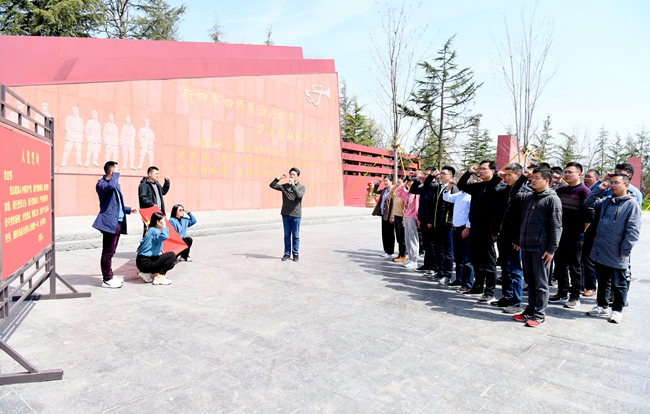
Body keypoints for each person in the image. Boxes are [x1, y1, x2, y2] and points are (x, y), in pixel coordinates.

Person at [585, 173, 641, 323]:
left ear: (626, 185)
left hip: (617, 251)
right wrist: (600, 188)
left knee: (619, 283)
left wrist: (626, 249)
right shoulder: (607, 200)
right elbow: (588, 202)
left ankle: (617, 310)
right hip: (602, 248)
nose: (613, 185)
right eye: (611, 182)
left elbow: (633, 229)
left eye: (616, 183)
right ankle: (602, 306)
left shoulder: (631, 204)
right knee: (603, 280)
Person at [510, 168, 563, 327]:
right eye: (532, 178)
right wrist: (522, 178)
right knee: (530, 282)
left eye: (536, 178)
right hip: (527, 245)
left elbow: (556, 226)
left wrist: (552, 249)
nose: (532, 180)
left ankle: (540, 315)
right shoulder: (530, 197)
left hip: (541, 248)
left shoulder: (552, 199)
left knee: (541, 284)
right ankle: (530, 310)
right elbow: (513, 194)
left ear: (547, 180)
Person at [456, 161, 503, 303]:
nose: (480, 171)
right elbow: (461, 185)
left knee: (489, 262)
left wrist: (495, 230)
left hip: (487, 230)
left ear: (493, 171)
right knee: (476, 260)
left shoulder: (496, 187)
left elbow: (498, 212)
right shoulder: (478, 186)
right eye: (480, 169)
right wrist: (468, 172)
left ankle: (490, 292)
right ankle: (477, 287)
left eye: (484, 169)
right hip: (475, 228)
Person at [549, 162, 593, 309]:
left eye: (570, 172)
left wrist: (580, 230)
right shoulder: (560, 190)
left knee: (575, 266)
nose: (567, 175)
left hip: (575, 236)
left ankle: (575, 296)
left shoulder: (584, 191)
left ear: (579, 174)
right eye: (566, 172)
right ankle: (562, 293)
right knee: (560, 264)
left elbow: (589, 215)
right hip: (559, 234)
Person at [92, 161, 138, 288]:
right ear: (111, 171)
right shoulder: (102, 184)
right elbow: (110, 187)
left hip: (117, 222)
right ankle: (107, 279)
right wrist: (115, 175)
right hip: (109, 222)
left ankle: (110, 275)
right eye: (117, 170)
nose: (119, 173)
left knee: (111, 251)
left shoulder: (115, 185)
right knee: (107, 252)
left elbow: (117, 204)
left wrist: (128, 209)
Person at [494, 163, 525, 314]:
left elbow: (523, 219)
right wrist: (497, 177)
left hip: (515, 238)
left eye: (509, 175)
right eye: (504, 175)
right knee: (505, 269)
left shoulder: (525, 193)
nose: (506, 178)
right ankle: (507, 297)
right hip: (503, 235)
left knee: (515, 271)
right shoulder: (504, 190)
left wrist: (519, 239)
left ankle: (516, 302)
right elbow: (492, 191)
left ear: (518, 175)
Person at [442, 178, 473, 293]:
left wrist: (468, 228)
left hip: (465, 228)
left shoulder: (470, 196)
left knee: (467, 258)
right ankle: (459, 280)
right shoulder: (460, 194)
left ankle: (468, 283)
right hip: (456, 228)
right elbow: (446, 197)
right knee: (459, 257)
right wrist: (449, 186)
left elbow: (472, 213)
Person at [270, 167, 306, 261]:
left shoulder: (302, 187)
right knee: (286, 235)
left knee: (296, 236)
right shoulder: (285, 186)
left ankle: (295, 253)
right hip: (285, 214)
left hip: (296, 214)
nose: (291, 176)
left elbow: (299, 196)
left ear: (298, 176)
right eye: (290, 174)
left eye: (294, 175)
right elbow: (272, 185)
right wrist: (278, 178)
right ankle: (286, 253)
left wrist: (293, 185)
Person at [430, 166, 458, 283]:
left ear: (451, 176)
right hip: (438, 223)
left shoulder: (454, 188)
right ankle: (440, 271)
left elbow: (454, 207)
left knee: (448, 251)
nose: (441, 175)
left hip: (447, 224)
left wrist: (450, 221)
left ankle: (448, 274)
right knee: (439, 249)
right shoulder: (439, 187)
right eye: (440, 173)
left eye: (444, 173)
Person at [408, 167, 438, 272]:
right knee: (426, 244)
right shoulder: (424, 186)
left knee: (432, 245)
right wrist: (417, 180)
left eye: (427, 174)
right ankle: (427, 264)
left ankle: (434, 266)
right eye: (425, 174)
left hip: (430, 220)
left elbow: (434, 206)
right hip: (423, 218)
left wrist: (431, 220)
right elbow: (413, 190)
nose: (425, 176)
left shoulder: (435, 186)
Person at [136, 212, 176, 285]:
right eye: (163, 221)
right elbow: (164, 236)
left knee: (170, 264)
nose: (165, 223)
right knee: (171, 255)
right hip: (146, 262)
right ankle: (159, 277)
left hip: (141, 262)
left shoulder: (150, 229)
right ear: (157, 222)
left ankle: (145, 273)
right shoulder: (155, 231)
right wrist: (164, 227)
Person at [395, 174, 420, 270]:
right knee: (407, 239)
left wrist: (418, 220)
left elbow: (417, 208)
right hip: (406, 217)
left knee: (413, 239)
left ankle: (414, 260)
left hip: (413, 218)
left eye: (411, 182)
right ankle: (410, 258)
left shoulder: (417, 194)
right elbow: (398, 192)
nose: (410, 183)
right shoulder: (408, 193)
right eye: (408, 182)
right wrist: (403, 183)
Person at [371, 176, 395, 258]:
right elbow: (374, 191)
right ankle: (386, 250)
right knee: (384, 233)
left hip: (389, 216)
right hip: (383, 214)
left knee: (390, 234)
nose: (385, 183)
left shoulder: (393, 190)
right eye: (384, 181)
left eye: (387, 181)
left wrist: (392, 216)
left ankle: (390, 251)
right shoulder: (385, 190)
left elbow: (394, 205)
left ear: (391, 181)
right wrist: (378, 183)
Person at [389, 178, 407, 263]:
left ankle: (403, 255)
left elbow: (406, 208)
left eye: (400, 183)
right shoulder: (396, 193)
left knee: (402, 238)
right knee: (398, 237)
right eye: (397, 183)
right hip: (396, 216)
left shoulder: (404, 194)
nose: (398, 184)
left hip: (401, 217)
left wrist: (404, 219)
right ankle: (400, 253)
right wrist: (394, 186)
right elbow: (390, 194)